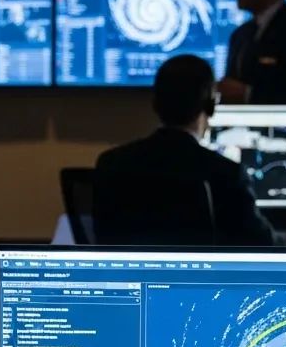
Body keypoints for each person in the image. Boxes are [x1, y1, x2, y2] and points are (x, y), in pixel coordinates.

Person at [93, 54, 275, 246]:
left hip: (131, 275)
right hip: (200, 276)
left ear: (156, 104)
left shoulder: (111, 163)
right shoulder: (227, 174)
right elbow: (261, 242)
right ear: (211, 106)